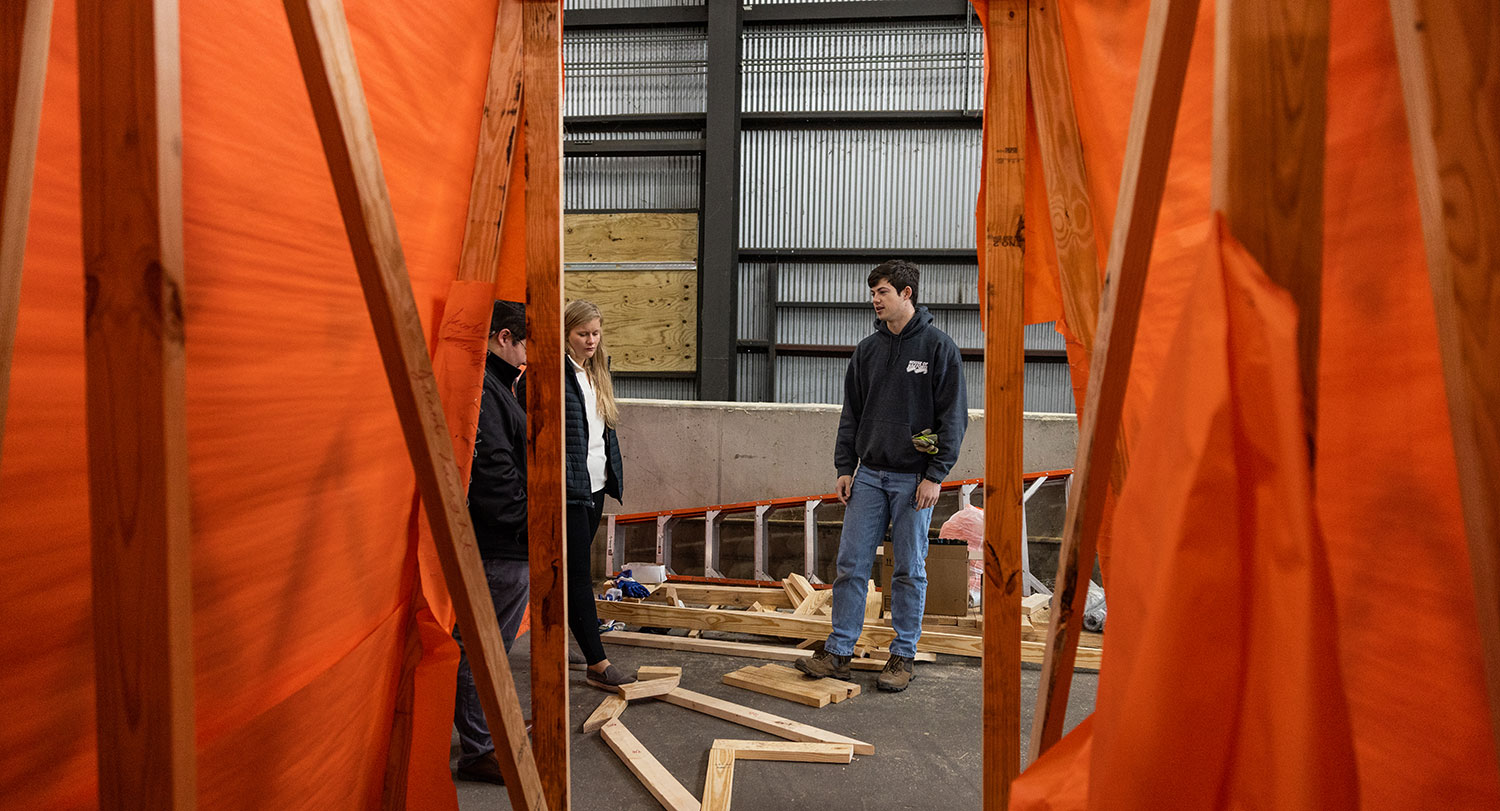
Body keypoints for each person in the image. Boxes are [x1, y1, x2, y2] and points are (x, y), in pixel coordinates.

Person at [795, 260, 968, 692]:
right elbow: (851, 413)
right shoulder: (867, 351)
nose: (875, 299)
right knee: (851, 565)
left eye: (883, 292)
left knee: (909, 569)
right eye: (873, 292)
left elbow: (954, 418)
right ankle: (839, 651)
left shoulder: (937, 348)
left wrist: (936, 475)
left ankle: (903, 655)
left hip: (914, 481)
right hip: (869, 475)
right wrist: (844, 467)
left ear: (907, 294)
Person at [453, 300, 531, 784]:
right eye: (524, 344)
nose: (528, 356)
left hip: (507, 541)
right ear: (503, 337)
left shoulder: (499, 386)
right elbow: (493, 475)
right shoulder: (484, 391)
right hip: (500, 542)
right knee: (483, 648)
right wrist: (528, 524)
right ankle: (480, 747)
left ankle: (489, 731)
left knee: (491, 646)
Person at [563, 299, 636, 687]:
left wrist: (610, 474)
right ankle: (597, 662)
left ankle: (561, 643)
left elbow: (602, 432)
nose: (590, 340)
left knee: (570, 574)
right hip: (570, 489)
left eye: (595, 333)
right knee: (577, 576)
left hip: (596, 485)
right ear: (566, 334)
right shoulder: (557, 375)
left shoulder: (599, 371)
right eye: (582, 334)